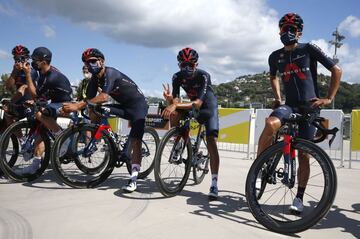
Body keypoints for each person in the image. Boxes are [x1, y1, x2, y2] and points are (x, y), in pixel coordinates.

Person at [256, 13, 342, 213]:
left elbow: (336, 70)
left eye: (292, 29)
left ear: (299, 32)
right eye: (284, 28)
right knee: (270, 124)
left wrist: (328, 98)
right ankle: (259, 170)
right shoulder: (275, 56)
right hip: (290, 105)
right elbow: (273, 76)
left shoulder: (308, 48)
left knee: (304, 155)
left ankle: (300, 197)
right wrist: (277, 97)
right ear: (279, 31)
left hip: (310, 107)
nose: (287, 32)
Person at [62, 48, 148, 193]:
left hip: (138, 106)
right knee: (95, 108)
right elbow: (87, 99)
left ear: (101, 61)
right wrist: (74, 106)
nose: (89, 65)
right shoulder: (95, 79)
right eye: (86, 63)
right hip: (123, 106)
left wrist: (79, 105)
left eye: (92, 61)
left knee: (136, 141)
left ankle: (133, 179)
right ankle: (100, 134)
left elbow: (104, 97)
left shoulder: (110, 73)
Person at [162, 47, 220, 200]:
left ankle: (214, 183)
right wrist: (171, 101)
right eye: (183, 65)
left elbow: (199, 103)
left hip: (207, 106)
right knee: (174, 112)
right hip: (191, 104)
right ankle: (179, 140)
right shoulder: (177, 77)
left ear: (197, 64)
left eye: (191, 65)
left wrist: (175, 104)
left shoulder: (204, 75)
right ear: (179, 65)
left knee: (212, 141)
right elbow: (175, 100)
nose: (187, 68)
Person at [20, 46, 72, 174]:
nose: (32, 63)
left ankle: (62, 138)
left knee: (39, 113)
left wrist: (27, 75)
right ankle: (35, 167)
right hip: (54, 102)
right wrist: (36, 101)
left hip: (65, 104)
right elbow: (40, 97)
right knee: (40, 133)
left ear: (44, 62)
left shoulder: (52, 76)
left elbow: (35, 95)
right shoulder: (43, 74)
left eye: (35, 60)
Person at [2, 45, 38, 131]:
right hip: (19, 102)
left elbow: (23, 89)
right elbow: (8, 87)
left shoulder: (32, 71)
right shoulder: (16, 71)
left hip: (30, 103)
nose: (18, 61)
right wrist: (14, 72)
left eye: (21, 58)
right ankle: (21, 139)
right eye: (16, 58)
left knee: (33, 124)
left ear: (26, 58)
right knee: (7, 115)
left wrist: (11, 102)